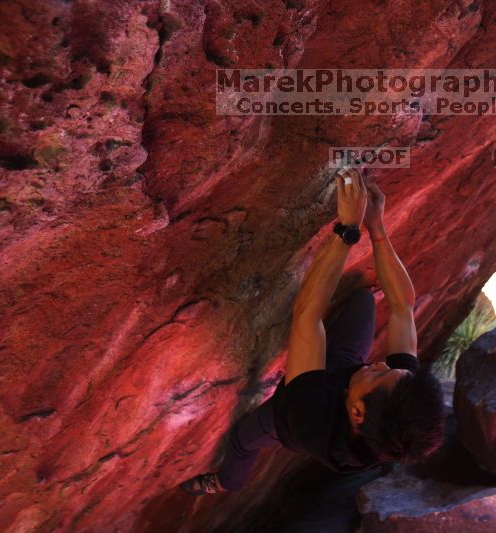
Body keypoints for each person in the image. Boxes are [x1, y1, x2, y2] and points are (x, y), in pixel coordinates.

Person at [180, 166, 445, 495]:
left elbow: (307, 316)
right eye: (391, 370)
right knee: (363, 301)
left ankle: (221, 483)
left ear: (357, 412)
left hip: (291, 415)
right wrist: (376, 228)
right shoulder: (398, 395)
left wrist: (348, 228)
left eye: (379, 375)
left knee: (241, 441)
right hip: (342, 372)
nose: (381, 365)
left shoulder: (309, 419)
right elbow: (403, 306)